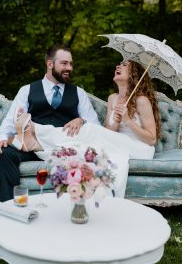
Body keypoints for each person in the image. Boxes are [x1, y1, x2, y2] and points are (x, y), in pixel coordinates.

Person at [8, 60, 160, 198]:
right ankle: (36, 144)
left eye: (125, 65)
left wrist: (128, 121)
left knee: (90, 129)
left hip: (139, 148)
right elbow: (108, 132)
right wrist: (117, 122)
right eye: (119, 63)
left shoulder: (141, 100)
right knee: (80, 147)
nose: (117, 66)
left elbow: (152, 139)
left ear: (134, 75)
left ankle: (35, 129)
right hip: (117, 144)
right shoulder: (112, 99)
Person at [0, 44, 100, 202]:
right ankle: (8, 206)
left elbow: (95, 126)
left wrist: (81, 119)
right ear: (50, 64)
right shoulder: (27, 90)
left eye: (71, 64)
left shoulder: (79, 93)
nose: (69, 68)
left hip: (62, 148)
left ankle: (75, 205)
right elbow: (11, 120)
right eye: (64, 63)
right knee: (7, 154)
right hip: (33, 145)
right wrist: (3, 138)